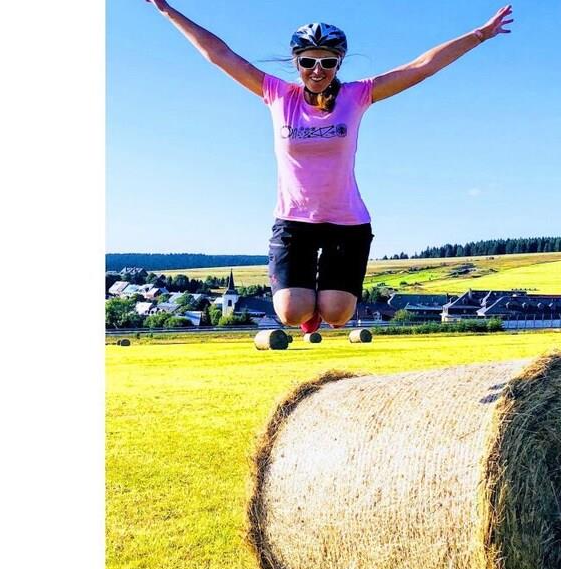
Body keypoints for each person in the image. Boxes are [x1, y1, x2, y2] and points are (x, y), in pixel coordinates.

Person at [144, 1, 514, 332]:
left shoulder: (357, 95)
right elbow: (220, 54)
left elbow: (421, 67)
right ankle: (307, 305)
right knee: (291, 313)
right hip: (294, 221)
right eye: (308, 61)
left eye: (327, 62)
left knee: (337, 314)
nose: (317, 70)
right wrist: (166, 9)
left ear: (338, 63)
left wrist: (479, 35)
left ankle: (325, 302)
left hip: (347, 223)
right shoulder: (277, 94)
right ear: (297, 63)